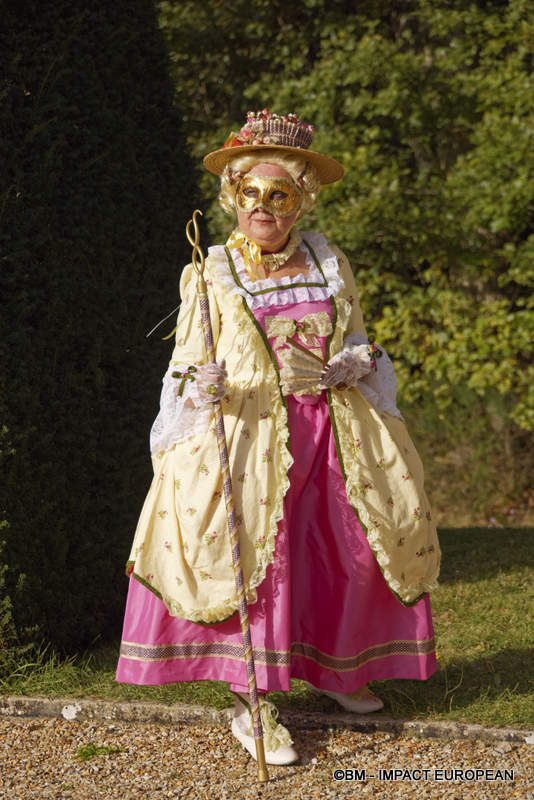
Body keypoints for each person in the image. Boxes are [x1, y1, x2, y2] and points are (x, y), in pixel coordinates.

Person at [116, 109, 441, 765]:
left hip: (332, 433)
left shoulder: (328, 260)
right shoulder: (210, 274)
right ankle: (252, 701)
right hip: (247, 440)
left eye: (279, 195)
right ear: (232, 197)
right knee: (261, 564)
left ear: (301, 201)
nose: (264, 209)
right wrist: (198, 382)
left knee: (347, 552)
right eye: (251, 195)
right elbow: (184, 367)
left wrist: (359, 360)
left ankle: (341, 670)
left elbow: (358, 338)